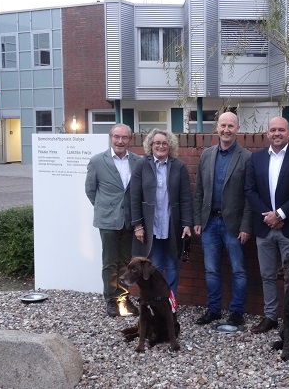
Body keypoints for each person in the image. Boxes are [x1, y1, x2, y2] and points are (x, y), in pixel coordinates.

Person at [245, 116, 289, 333]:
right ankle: (270, 317)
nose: (277, 133)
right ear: (267, 134)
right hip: (264, 227)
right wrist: (268, 217)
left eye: (281, 130)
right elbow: (250, 190)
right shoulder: (256, 158)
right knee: (267, 274)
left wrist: (280, 214)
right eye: (273, 130)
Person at [193, 112, 252, 327]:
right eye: (223, 125)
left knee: (238, 271)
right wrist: (198, 220)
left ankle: (237, 312)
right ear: (217, 127)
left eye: (231, 126)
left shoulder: (246, 157)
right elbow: (199, 191)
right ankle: (214, 310)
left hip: (234, 225)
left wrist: (246, 226)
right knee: (211, 270)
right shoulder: (207, 155)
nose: (226, 130)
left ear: (238, 129)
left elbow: (249, 196)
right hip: (209, 223)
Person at [85, 123, 140, 317]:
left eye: (124, 137)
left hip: (129, 220)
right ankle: (111, 299)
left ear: (130, 139)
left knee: (126, 261)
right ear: (111, 138)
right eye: (117, 137)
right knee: (110, 261)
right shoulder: (97, 161)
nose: (120, 141)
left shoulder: (138, 161)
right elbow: (90, 190)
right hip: (108, 220)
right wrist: (104, 208)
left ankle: (123, 297)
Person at [130, 129, 193, 297]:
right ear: (150, 145)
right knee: (155, 266)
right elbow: (134, 197)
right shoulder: (141, 165)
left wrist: (187, 224)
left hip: (172, 226)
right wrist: (137, 226)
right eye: (157, 143)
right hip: (151, 228)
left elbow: (186, 198)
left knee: (173, 265)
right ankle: (156, 301)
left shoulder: (179, 167)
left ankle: (170, 302)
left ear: (170, 146)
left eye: (165, 143)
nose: (161, 146)